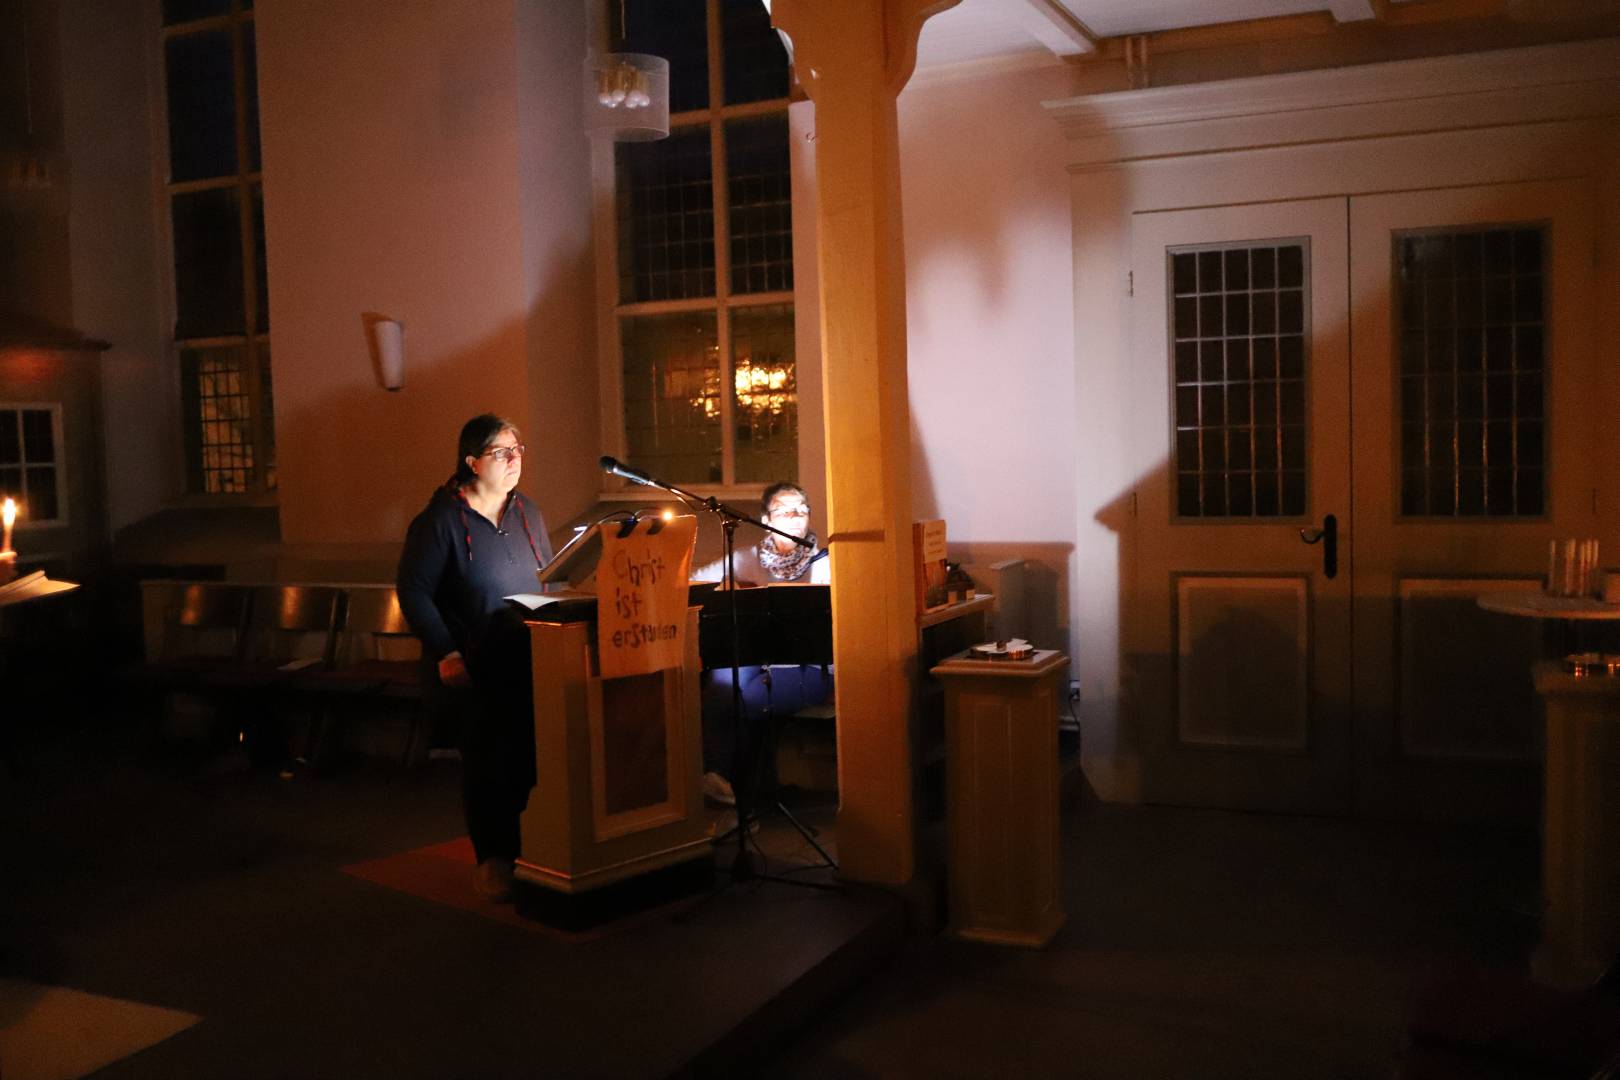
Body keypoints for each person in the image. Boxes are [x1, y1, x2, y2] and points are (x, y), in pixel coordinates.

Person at [396, 414, 553, 901]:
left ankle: (528, 849)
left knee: (528, 760)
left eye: (518, 449)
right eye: (501, 452)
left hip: (525, 656)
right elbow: (414, 591)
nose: (514, 460)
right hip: (472, 662)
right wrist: (445, 650)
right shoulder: (440, 521)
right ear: (471, 462)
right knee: (488, 764)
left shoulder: (527, 512)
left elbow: (548, 576)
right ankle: (493, 859)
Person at [691, 482, 831, 809]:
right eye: (783, 511)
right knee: (724, 679)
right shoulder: (748, 559)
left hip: (809, 667)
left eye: (801, 510)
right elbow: (693, 580)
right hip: (758, 660)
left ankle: (731, 782)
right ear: (765, 517)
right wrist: (727, 589)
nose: (794, 517)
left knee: (746, 698)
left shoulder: (825, 561)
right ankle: (721, 779)